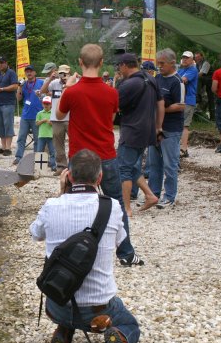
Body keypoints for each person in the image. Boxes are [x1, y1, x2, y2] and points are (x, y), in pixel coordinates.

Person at [30, 149, 140, 343]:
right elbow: (120, 242)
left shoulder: (52, 205)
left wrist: (62, 194)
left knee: (67, 301)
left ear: (69, 176)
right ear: (99, 178)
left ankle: (65, 330)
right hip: (99, 309)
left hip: (58, 304)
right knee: (131, 325)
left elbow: (35, 234)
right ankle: (115, 335)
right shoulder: (113, 207)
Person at [56, 43, 144, 267]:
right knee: (117, 204)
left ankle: (71, 252)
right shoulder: (112, 92)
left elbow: (59, 113)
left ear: (80, 62)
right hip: (106, 153)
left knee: (73, 203)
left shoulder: (72, 91)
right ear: (102, 62)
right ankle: (125, 252)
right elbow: (113, 115)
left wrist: (69, 87)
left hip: (79, 156)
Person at [115, 53, 164, 216]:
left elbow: (114, 106)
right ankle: (150, 195)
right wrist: (158, 126)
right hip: (147, 130)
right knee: (131, 165)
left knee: (123, 168)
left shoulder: (128, 84)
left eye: (119, 66)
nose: (118, 70)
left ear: (123, 65)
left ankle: (126, 208)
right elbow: (160, 103)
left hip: (132, 130)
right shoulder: (151, 79)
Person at [148, 48, 185, 209]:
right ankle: (153, 194)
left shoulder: (177, 81)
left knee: (170, 164)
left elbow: (181, 105)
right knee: (154, 163)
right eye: (158, 64)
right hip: (156, 127)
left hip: (171, 128)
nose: (159, 66)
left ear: (172, 63)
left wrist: (162, 109)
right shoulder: (157, 78)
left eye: (162, 64)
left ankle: (169, 195)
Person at [40, 63, 70, 176]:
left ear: (69, 73)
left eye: (65, 73)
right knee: (58, 144)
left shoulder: (73, 83)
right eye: (61, 73)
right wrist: (50, 79)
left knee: (74, 143)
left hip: (70, 118)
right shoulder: (54, 83)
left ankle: (73, 167)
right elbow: (42, 91)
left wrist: (68, 83)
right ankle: (61, 166)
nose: (63, 76)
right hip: (56, 118)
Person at [14, 64, 44, 165]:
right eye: (27, 71)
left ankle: (35, 159)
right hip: (25, 115)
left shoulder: (41, 82)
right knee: (21, 137)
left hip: (38, 115)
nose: (29, 73)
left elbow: (47, 95)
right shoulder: (23, 84)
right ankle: (18, 157)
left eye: (31, 71)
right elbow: (18, 99)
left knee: (37, 139)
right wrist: (19, 87)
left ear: (35, 72)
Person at [0, 56, 19, 156]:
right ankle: (3, 147)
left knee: (8, 124)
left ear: (6, 63)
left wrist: (2, 89)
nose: (0, 65)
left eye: (1, 63)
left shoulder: (11, 73)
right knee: (0, 126)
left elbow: (15, 86)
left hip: (8, 103)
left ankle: (8, 148)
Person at [177, 51, 198, 158]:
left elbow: (182, 80)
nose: (184, 59)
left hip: (188, 101)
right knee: (179, 125)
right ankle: (179, 148)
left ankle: (184, 149)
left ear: (192, 59)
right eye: (183, 57)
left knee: (185, 125)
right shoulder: (181, 70)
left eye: (187, 58)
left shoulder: (193, 70)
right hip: (180, 101)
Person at [35, 96, 56, 172]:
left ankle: (53, 165)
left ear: (51, 104)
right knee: (39, 151)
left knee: (52, 151)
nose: (46, 105)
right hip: (41, 135)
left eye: (48, 104)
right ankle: (39, 167)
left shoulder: (53, 113)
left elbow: (54, 124)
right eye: (44, 104)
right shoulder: (39, 113)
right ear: (42, 104)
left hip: (50, 135)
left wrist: (50, 123)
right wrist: (43, 121)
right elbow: (37, 123)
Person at [194, 51, 215, 121]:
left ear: (202, 57)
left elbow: (200, 74)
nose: (197, 58)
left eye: (198, 57)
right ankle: (198, 95)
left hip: (210, 81)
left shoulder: (206, 63)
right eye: (195, 57)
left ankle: (197, 95)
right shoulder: (197, 64)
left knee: (211, 98)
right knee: (209, 98)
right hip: (204, 81)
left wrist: (191, 76)